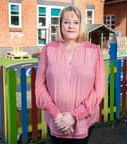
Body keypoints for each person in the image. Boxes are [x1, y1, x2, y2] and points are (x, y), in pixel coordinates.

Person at [35, 5, 105, 144]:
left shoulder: (94, 51)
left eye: (75, 22)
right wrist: (57, 115)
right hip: (56, 121)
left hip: (83, 122)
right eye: (66, 22)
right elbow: (39, 86)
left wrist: (74, 116)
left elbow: (99, 89)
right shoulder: (49, 49)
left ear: (81, 26)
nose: (71, 26)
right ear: (60, 25)